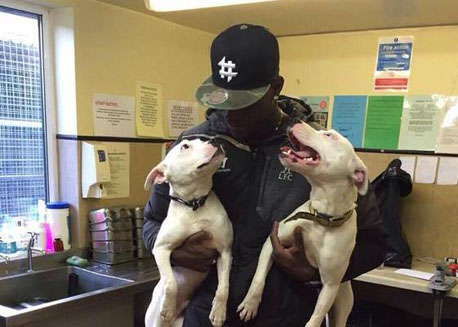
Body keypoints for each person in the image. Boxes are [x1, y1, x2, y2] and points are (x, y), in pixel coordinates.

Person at [143, 23, 386, 327]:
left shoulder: (319, 154)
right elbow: (152, 223)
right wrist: (179, 254)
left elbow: (375, 244)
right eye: (224, 100)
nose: (232, 115)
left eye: (244, 103)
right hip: (205, 317)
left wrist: (312, 273)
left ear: (276, 86)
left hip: (284, 317)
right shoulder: (195, 148)